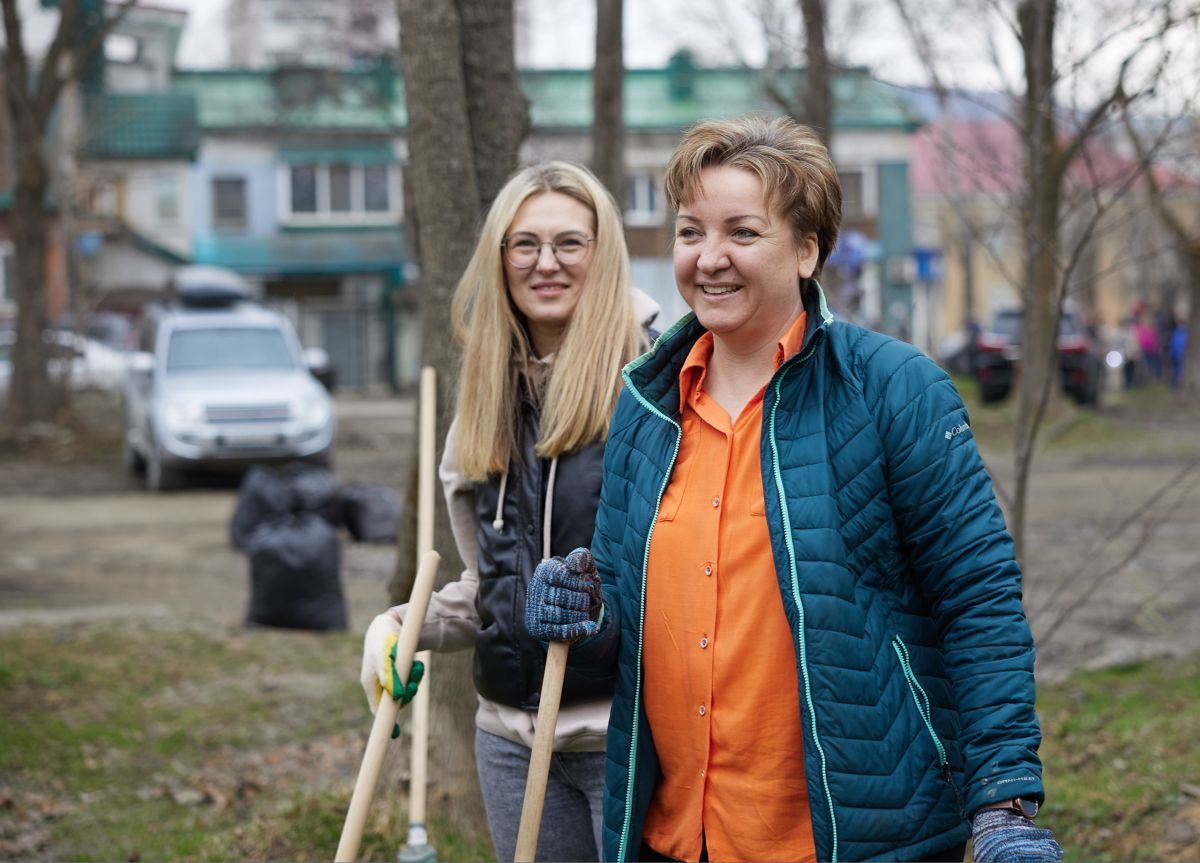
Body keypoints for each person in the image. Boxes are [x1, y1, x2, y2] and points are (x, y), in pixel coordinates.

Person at [526, 116, 1063, 863]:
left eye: (742, 232)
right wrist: (583, 618)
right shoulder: (644, 409)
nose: (709, 258)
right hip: (676, 837)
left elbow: (978, 600)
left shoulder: (893, 390)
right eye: (690, 232)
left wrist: (1003, 801)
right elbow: (627, 626)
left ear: (806, 249)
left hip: (854, 838)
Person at [360, 161, 656, 863]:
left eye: (569, 243)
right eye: (524, 244)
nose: (545, 263)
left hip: (629, 740)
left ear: (603, 253)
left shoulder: (654, 389)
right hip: (509, 745)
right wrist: (405, 625)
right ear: (500, 259)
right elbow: (489, 588)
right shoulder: (484, 405)